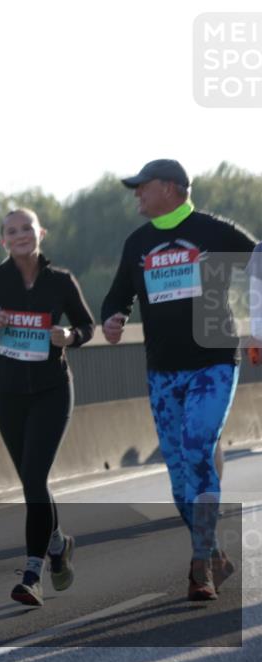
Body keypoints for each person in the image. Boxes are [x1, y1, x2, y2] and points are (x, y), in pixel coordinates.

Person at [101, 159, 258, 601]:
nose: (136, 194)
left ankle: (199, 566)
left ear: (170, 188)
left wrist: (259, 324)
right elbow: (118, 295)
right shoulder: (137, 243)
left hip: (213, 363)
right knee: (177, 480)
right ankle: (215, 554)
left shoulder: (214, 231)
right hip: (163, 371)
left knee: (197, 449)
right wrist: (112, 318)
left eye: (142, 187)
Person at [0, 209, 94, 606]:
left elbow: (87, 326)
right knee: (33, 483)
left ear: (40, 233)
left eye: (27, 229)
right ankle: (58, 542)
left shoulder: (60, 281)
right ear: (3, 241)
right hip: (9, 393)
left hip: (52, 390)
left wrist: (69, 335)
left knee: (34, 478)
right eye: (12, 231)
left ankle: (33, 573)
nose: (20, 236)